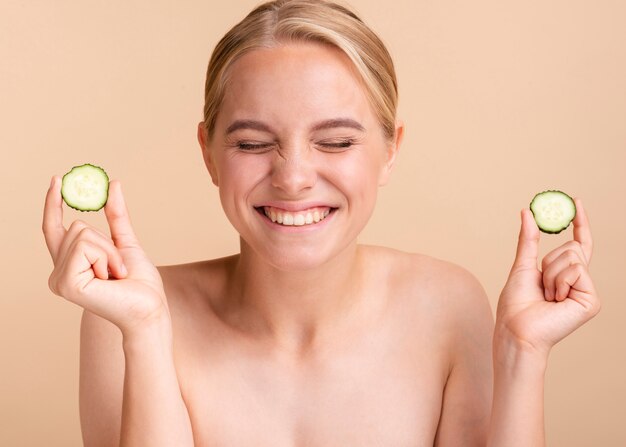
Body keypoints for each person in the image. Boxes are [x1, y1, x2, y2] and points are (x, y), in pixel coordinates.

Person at [42, 1, 600, 445]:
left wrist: (523, 354)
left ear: (390, 150)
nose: (293, 177)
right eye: (254, 143)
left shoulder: (449, 304)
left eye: (334, 141)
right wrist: (144, 335)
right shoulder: (125, 318)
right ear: (208, 153)